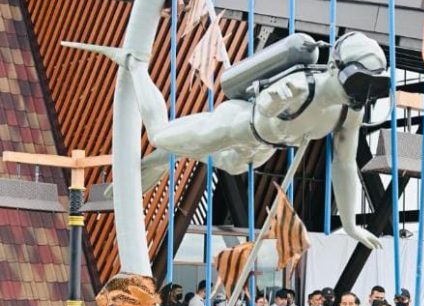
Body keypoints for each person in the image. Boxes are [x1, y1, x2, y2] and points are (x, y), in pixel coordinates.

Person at [74, 30, 391, 251]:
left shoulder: (349, 112)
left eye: (373, 88)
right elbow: (265, 107)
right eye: (359, 81)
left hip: (261, 149)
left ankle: (171, 156)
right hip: (236, 124)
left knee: (226, 164)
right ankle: (135, 66)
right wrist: (275, 100)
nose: (361, 94)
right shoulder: (301, 85)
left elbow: (345, 165)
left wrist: (350, 224)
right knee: (161, 135)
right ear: (336, 67)